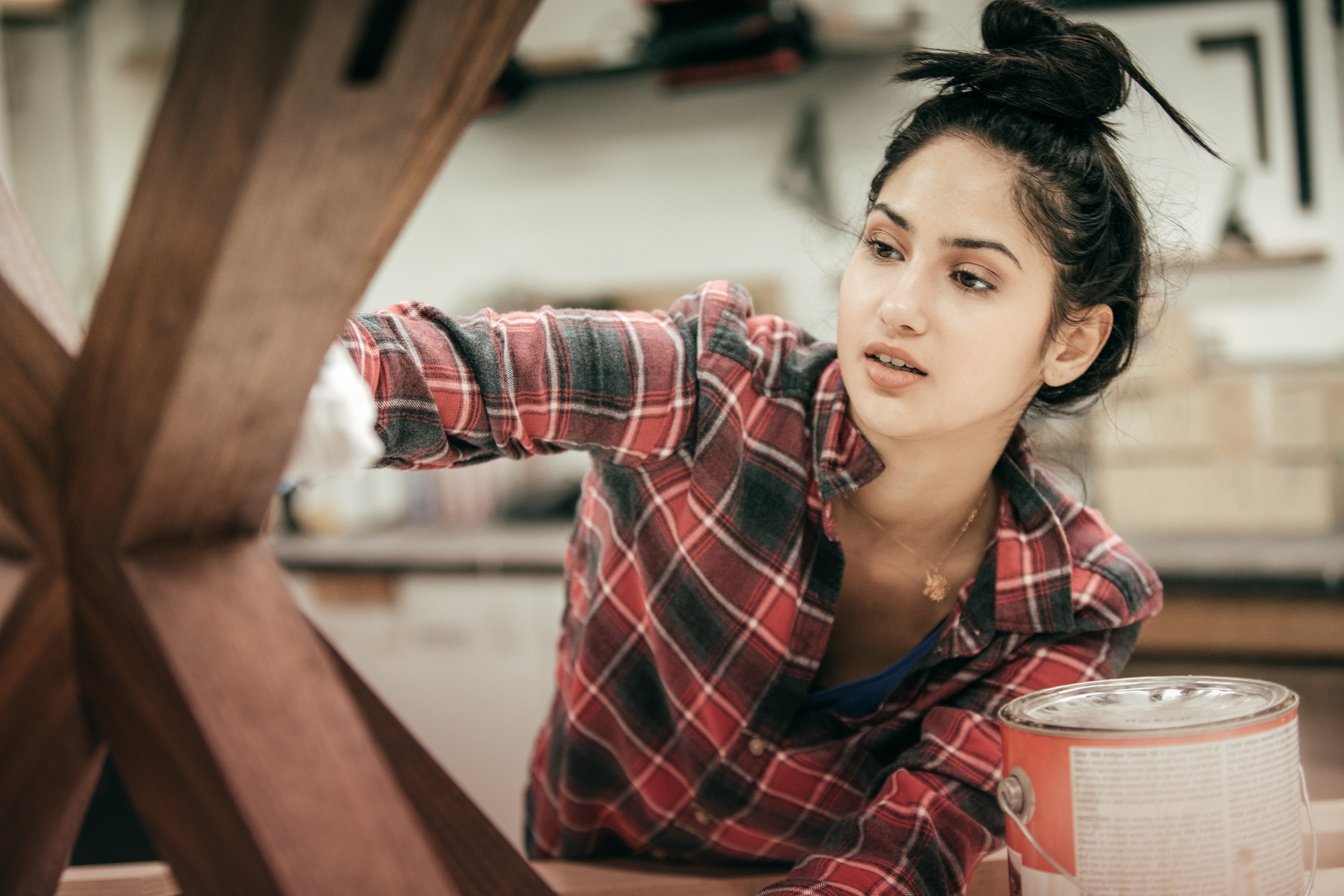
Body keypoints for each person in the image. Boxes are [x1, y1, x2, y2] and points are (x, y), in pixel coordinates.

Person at [310, 0, 1217, 891]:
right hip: (579, 876)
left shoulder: (1079, 596)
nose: (898, 304)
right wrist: (304, 389)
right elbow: (470, 370)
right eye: (884, 247)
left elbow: (918, 839)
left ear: (1071, 342)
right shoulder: (717, 387)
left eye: (971, 277)